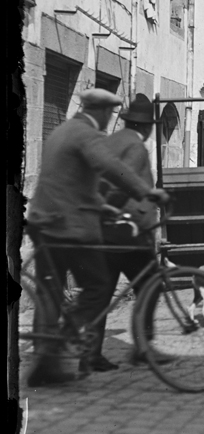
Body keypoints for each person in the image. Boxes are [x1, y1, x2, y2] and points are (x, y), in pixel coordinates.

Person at [25, 89, 170, 387]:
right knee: (114, 285)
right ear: (102, 111)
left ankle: (55, 359)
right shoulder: (97, 137)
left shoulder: (65, 130)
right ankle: (96, 340)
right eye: (109, 113)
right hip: (92, 228)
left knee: (54, 294)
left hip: (47, 223)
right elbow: (114, 172)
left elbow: (82, 180)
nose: (110, 119)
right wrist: (145, 194)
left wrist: (102, 205)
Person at [88, 95, 163, 372]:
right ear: (147, 126)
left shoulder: (111, 141)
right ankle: (143, 348)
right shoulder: (135, 146)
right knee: (151, 285)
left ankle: (92, 353)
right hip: (129, 232)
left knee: (101, 292)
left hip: (104, 230)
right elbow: (123, 181)